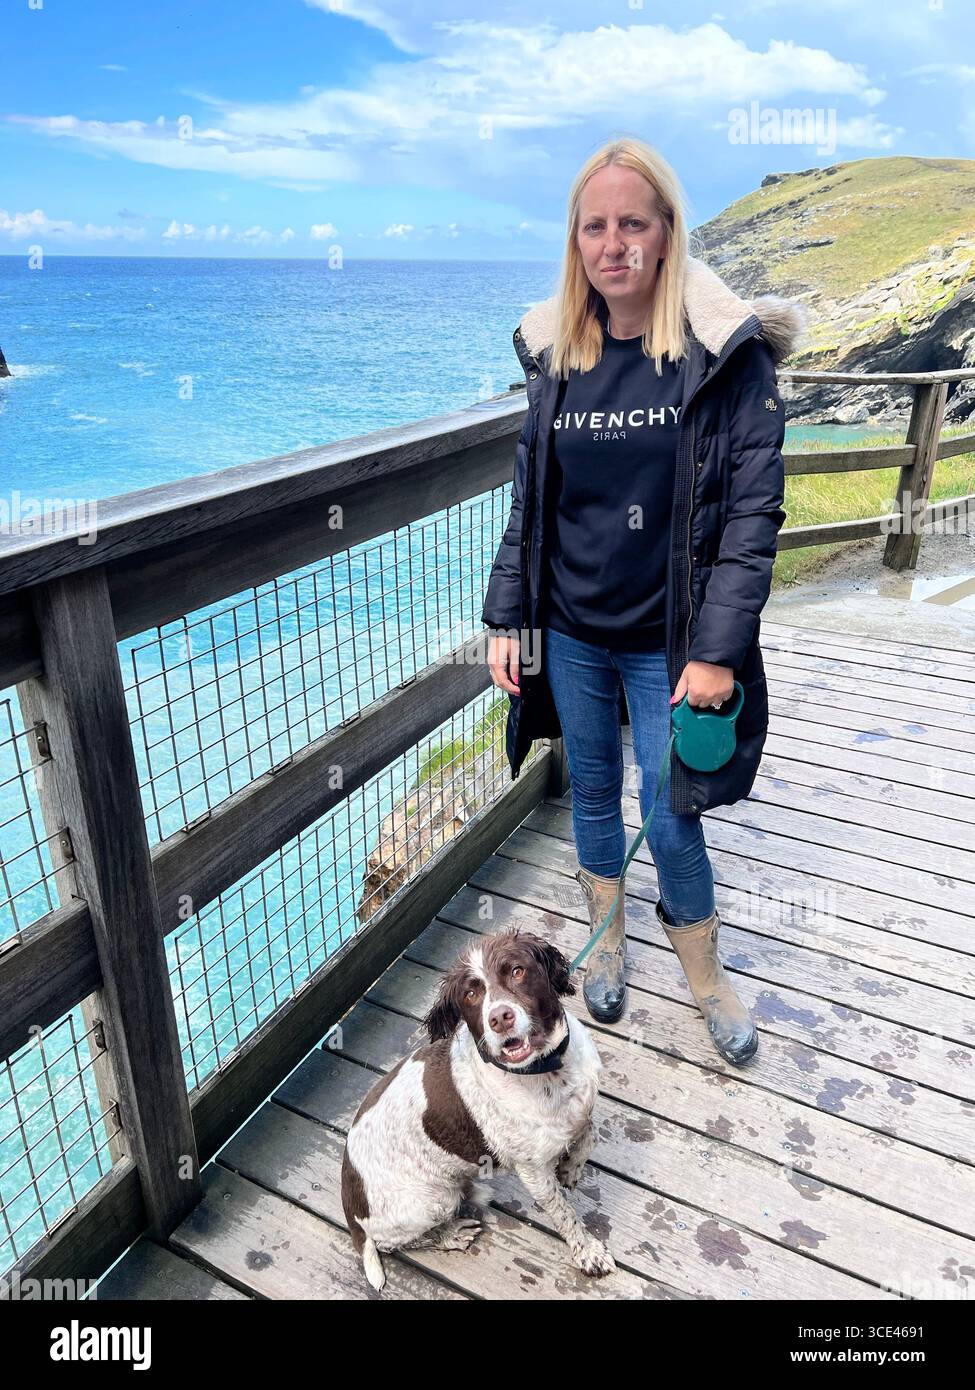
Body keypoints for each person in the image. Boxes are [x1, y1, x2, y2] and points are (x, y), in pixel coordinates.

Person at [481, 137, 806, 1065]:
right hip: (574, 632)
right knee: (591, 793)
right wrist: (507, 615)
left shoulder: (720, 359)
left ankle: (706, 979)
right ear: (575, 241)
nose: (613, 242)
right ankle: (608, 947)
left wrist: (715, 652)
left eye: (633, 222)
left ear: (667, 234)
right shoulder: (558, 355)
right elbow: (530, 504)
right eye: (595, 225)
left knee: (670, 817)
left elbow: (752, 515)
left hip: (672, 646)